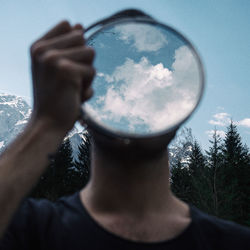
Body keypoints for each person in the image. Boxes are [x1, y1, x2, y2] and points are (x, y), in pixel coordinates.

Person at [0, 20, 249, 250]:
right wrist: (46, 124)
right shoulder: (25, 229)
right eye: (111, 90)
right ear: (82, 113)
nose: (132, 111)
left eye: (154, 97)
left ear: (179, 115)